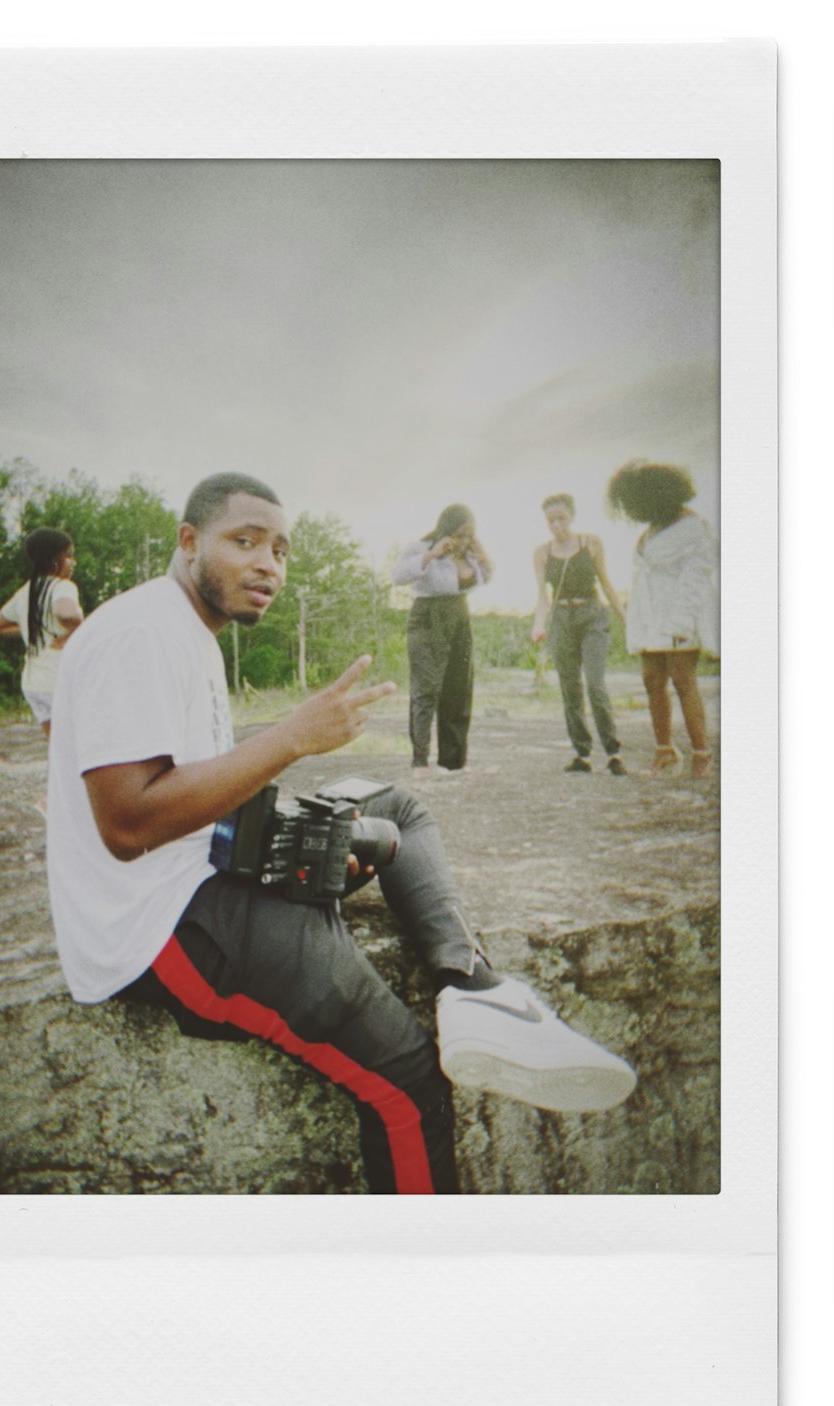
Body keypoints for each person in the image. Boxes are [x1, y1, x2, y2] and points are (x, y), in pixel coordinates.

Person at [45, 473, 635, 1196]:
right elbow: (128, 823)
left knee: (395, 808)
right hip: (163, 926)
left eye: (282, 551)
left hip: (207, 862)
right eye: (245, 542)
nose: (269, 564)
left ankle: (474, 990)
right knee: (409, 1080)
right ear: (189, 541)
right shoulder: (141, 631)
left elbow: (192, 783)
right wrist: (291, 738)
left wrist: (289, 822)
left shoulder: (188, 630)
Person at [607, 461, 719, 779]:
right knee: (652, 681)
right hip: (649, 617)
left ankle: (701, 756)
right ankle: (665, 751)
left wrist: (681, 622)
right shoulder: (653, 528)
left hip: (679, 614)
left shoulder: (693, 528)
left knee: (684, 681)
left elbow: (697, 576)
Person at [391, 505, 493, 779]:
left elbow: (485, 579)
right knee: (426, 689)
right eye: (459, 535)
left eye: (469, 535)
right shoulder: (421, 547)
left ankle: (453, 761)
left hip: (459, 615)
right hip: (427, 616)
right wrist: (432, 555)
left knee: (458, 689)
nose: (463, 541)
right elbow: (397, 576)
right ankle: (420, 760)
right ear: (446, 530)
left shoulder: (470, 554)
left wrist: (483, 559)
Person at [532, 494, 627, 775]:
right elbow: (541, 596)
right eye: (551, 520)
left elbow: (607, 584)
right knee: (569, 687)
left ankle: (613, 753)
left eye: (561, 518)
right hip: (561, 618)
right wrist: (538, 624)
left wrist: (626, 620)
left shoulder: (591, 543)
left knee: (595, 684)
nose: (557, 524)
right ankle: (582, 754)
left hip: (592, 615)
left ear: (572, 516)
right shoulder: (541, 552)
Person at [0, 528, 84, 739]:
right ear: (54, 559)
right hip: (58, 680)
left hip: (34, 685)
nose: (73, 562)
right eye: (69, 556)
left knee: (58, 747)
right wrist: (79, 626)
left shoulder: (25, 591)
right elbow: (66, 612)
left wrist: (30, 627)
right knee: (82, 744)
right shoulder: (63, 586)